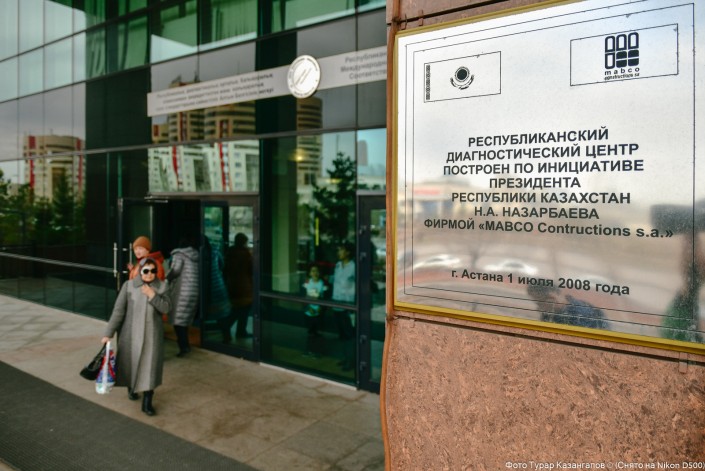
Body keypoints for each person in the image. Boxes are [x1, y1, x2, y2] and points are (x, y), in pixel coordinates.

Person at [101, 258, 171, 416]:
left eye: (153, 271)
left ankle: (147, 401)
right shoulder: (129, 286)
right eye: (146, 270)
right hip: (130, 334)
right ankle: (131, 387)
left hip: (152, 336)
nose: (149, 274)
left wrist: (153, 295)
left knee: (150, 368)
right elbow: (118, 311)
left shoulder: (162, 286)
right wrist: (108, 333)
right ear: (140, 271)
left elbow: (166, 308)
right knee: (130, 363)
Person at [166, 237, 199, 357]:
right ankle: (185, 345)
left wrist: (166, 278)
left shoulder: (179, 254)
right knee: (184, 319)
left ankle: (184, 347)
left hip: (182, 290)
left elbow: (175, 271)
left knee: (178, 321)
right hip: (194, 290)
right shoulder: (197, 255)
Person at [527, 284, 607, 329]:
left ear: (552, 299)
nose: (538, 308)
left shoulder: (577, 315)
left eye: (539, 303)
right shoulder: (554, 311)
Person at [223, 233, 253, 341]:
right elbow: (251, 270)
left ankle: (239, 330)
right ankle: (231, 328)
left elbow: (225, 270)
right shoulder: (246, 254)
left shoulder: (229, 253)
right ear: (244, 242)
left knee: (237, 307)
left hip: (232, 285)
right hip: (244, 286)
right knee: (242, 309)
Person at [331, 242, 355, 370]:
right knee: (342, 335)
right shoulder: (338, 265)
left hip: (347, 306)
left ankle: (351, 361)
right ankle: (345, 358)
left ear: (348, 252)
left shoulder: (354, 267)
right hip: (336, 303)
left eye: (341, 250)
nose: (338, 252)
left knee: (349, 335)